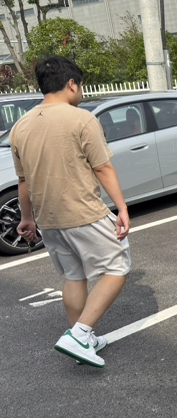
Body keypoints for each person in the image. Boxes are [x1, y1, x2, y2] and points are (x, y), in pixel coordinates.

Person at [10, 56, 131, 368]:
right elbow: (102, 167)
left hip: (48, 220)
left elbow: (23, 181)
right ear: (71, 84)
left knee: (74, 276)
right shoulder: (81, 119)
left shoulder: (20, 126)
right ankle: (79, 335)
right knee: (117, 267)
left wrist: (27, 218)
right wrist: (121, 207)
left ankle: (83, 341)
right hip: (83, 212)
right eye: (81, 86)